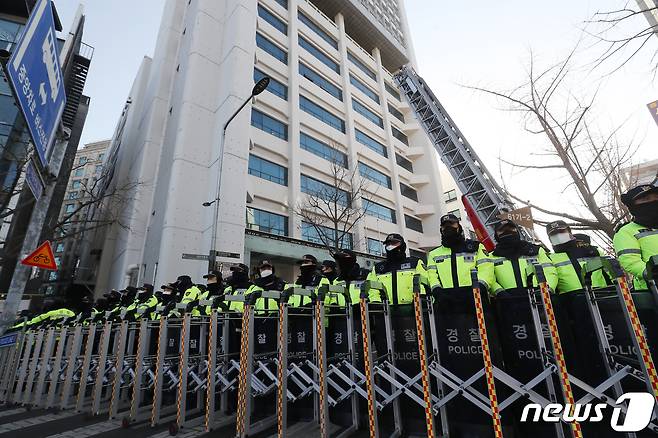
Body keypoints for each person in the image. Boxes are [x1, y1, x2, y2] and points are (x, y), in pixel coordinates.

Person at [426, 214, 494, 293]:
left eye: (452, 224)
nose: (448, 227)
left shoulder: (476, 247)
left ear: (459, 227)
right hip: (446, 299)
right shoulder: (433, 254)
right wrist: (437, 291)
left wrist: (480, 287)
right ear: (441, 229)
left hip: (475, 296)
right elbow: (432, 276)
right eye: (445, 226)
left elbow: (486, 268)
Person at [490, 219, 557, 294]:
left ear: (517, 231)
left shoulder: (536, 250)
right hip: (506, 301)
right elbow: (490, 278)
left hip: (538, 297)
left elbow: (550, 271)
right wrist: (499, 292)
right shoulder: (491, 257)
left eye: (511, 228)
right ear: (496, 235)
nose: (508, 231)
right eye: (502, 230)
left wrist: (547, 289)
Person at [614, 180, 658, 291]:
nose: (653, 201)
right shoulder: (626, 231)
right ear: (633, 207)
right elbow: (631, 262)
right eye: (646, 199)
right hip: (652, 290)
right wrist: (652, 273)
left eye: (656, 197)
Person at [546, 220, 610, 293]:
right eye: (553, 234)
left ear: (569, 232)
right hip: (572, 301)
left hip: (603, 296)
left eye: (561, 231)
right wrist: (548, 289)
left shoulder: (593, 251)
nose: (558, 235)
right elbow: (550, 278)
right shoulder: (550, 259)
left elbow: (612, 273)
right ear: (550, 239)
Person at [367, 233, 428, 304]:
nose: (390, 246)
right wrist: (376, 302)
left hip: (414, 309)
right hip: (386, 310)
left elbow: (424, 282)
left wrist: (421, 299)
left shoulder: (415, 263)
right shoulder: (378, 268)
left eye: (394, 243)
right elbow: (373, 289)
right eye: (388, 244)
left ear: (402, 245)